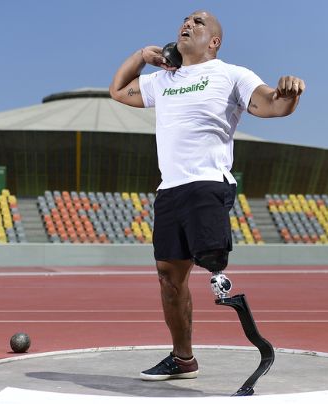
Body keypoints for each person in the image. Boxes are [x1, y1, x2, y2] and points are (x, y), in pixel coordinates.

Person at [109, 10, 305, 381]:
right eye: (185, 20)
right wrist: (141, 56)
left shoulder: (232, 74)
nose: (188, 23)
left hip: (206, 183)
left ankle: (246, 324)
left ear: (214, 41)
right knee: (169, 276)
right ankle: (183, 359)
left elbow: (272, 105)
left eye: (199, 22)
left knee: (213, 263)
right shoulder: (164, 79)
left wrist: (290, 94)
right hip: (169, 189)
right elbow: (118, 91)